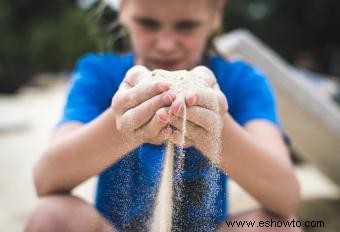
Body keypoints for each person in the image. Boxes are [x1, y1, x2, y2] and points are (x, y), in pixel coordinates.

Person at [25, 0, 301, 231]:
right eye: (148, 23)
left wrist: (216, 127)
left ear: (215, 15)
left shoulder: (242, 80)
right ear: (123, 11)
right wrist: (123, 123)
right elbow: (47, 178)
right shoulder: (99, 74)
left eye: (186, 26)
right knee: (51, 215)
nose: (166, 45)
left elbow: (286, 197)